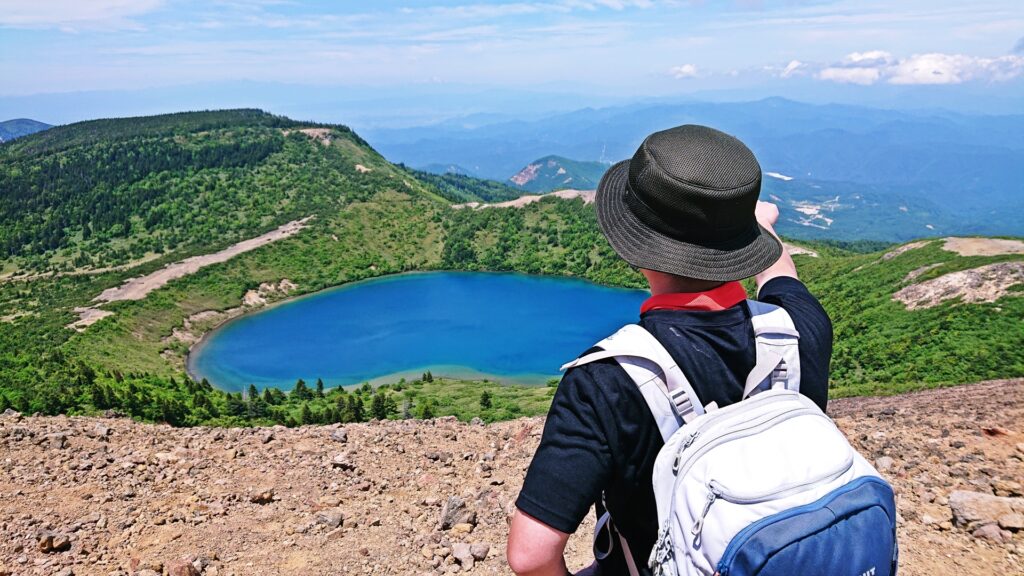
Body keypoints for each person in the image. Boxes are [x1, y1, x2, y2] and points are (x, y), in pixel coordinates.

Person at [506, 125, 833, 576]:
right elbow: (782, 279)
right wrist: (755, 228)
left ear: (634, 245)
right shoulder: (801, 328)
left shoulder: (606, 381)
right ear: (741, 245)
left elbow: (530, 556)